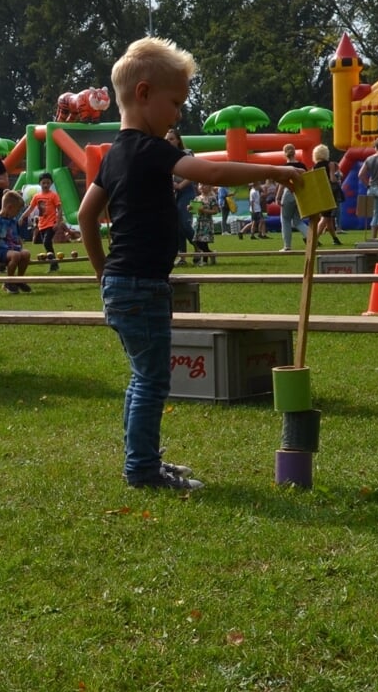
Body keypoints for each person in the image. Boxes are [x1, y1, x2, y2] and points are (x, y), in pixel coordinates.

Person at [78, 37, 302, 491]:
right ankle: (141, 469)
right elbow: (214, 173)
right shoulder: (150, 149)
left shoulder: (114, 155)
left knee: (142, 378)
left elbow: (85, 215)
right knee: (153, 381)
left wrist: (103, 274)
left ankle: (142, 459)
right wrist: (275, 171)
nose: (178, 115)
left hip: (123, 283)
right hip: (142, 286)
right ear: (143, 94)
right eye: (175, 103)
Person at [0, 190, 32, 292]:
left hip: (13, 248)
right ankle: (8, 282)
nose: (17, 214)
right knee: (16, 255)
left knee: (26, 253)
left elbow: (17, 237)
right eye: (17, 211)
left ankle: (19, 280)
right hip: (1, 251)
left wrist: (21, 248)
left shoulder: (13, 221)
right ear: (9, 208)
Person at [166, 128, 195, 265]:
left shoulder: (186, 154)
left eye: (171, 139)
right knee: (177, 226)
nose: (169, 141)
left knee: (184, 222)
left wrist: (180, 185)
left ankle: (200, 248)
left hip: (186, 190)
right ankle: (182, 256)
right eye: (167, 139)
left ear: (178, 140)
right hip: (174, 193)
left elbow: (192, 174)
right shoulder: (165, 156)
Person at [22, 172, 62, 271]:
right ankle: (54, 263)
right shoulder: (37, 196)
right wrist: (22, 216)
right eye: (43, 183)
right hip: (41, 225)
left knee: (46, 242)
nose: (45, 185)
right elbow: (30, 208)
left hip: (51, 223)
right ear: (40, 183)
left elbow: (59, 209)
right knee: (47, 244)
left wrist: (57, 222)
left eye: (48, 183)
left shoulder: (53, 195)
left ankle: (53, 264)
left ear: (51, 184)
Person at [278, 143, 309, 251]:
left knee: (285, 219)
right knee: (298, 221)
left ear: (284, 154)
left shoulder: (284, 167)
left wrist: (278, 197)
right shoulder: (302, 166)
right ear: (295, 152)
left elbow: (282, 184)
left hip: (289, 193)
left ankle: (287, 246)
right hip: (300, 194)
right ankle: (311, 238)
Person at [312, 144, 345, 246]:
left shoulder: (315, 167)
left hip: (320, 193)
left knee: (329, 218)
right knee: (326, 218)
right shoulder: (330, 164)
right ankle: (314, 239)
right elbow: (333, 180)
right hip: (330, 193)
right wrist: (334, 173)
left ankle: (335, 238)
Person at [191, 183, 218, 265]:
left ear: (210, 187)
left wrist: (204, 211)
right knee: (198, 242)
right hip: (199, 223)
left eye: (204, 185)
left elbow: (215, 211)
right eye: (200, 185)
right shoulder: (197, 198)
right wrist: (190, 208)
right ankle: (211, 254)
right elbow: (194, 211)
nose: (201, 187)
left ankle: (205, 261)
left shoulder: (212, 198)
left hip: (207, 223)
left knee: (204, 242)